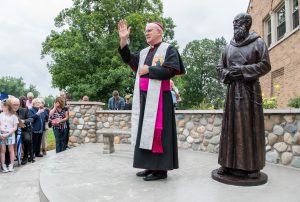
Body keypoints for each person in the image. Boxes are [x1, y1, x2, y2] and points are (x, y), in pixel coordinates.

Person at [118, 20, 185, 181]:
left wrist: (149, 69)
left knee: (158, 133)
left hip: (161, 100)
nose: (146, 33)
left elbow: (170, 71)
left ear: (160, 32)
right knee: (145, 133)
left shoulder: (169, 49)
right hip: (145, 100)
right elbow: (128, 58)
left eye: (150, 30)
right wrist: (123, 40)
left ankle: (160, 170)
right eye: (145, 31)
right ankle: (149, 166)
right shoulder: (143, 52)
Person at [216, 13, 271, 179]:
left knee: (248, 128)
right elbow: (219, 67)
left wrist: (242, 71)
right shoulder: (229, 47)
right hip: (232, 92)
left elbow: (265, 65)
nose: (234, 24)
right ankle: (227, 163)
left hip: (249, 93)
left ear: (247, 24)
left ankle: (251, 167)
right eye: (233, 22)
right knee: (229, 128)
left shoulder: (258, 43)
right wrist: (228, 74)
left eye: (237, 22)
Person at [0, 99, 19, 172]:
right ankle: (3, 165)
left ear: (7, 107)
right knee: (3, 150)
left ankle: (11, 165)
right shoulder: (1, 115)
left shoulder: (14, 116)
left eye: (3, 107)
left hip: (10, 134)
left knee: (11, 150)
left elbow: (15, 127)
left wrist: (8, 133)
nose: (2, 108)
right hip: (2, 134)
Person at [18, 96, 34, 164]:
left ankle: (25, 156)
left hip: (25, 129)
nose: (23, 102)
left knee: (27, 139)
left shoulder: (27, 109)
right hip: (15, 129)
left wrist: (24, 121)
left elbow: (31, 119)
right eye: (22, 100)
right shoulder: (14, 110)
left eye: (25, 100)